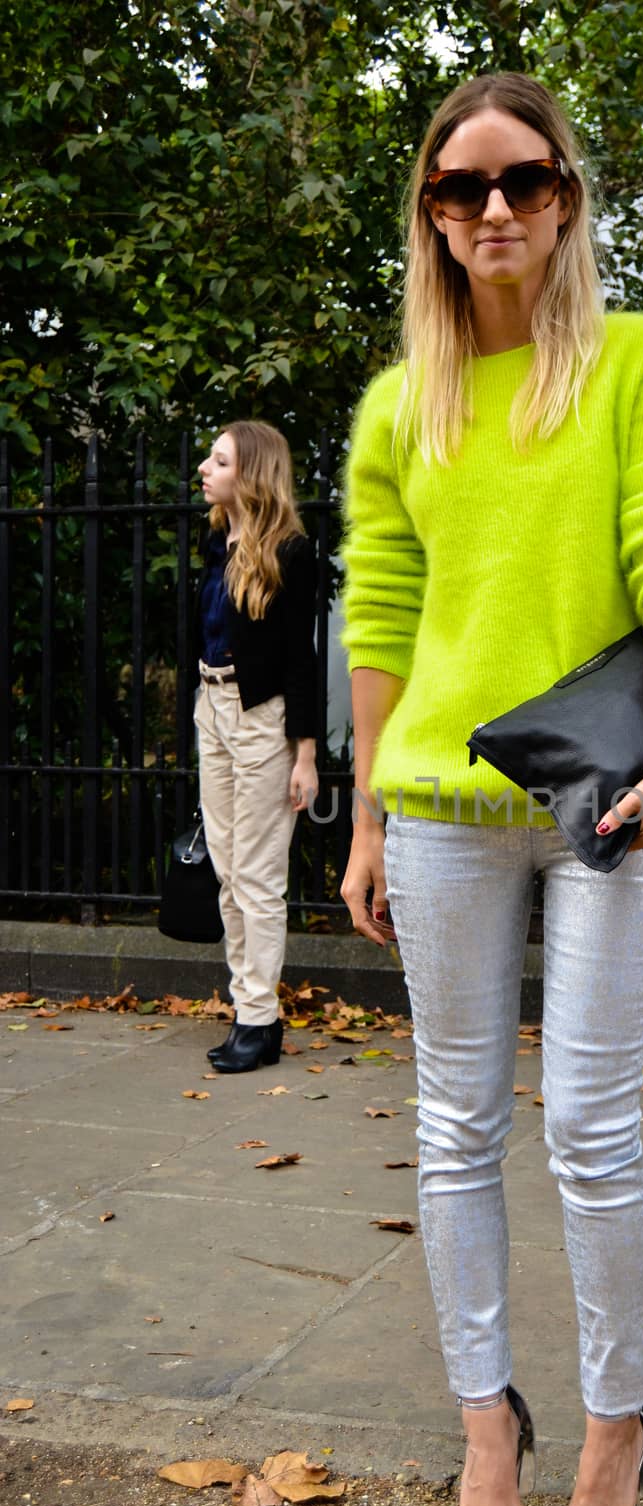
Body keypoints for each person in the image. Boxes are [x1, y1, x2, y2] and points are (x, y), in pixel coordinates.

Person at [339, 73, 643, 1506]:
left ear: (563, 195)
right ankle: (484, 1419)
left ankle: (615, 1420)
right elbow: (378, 610)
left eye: (517, 180)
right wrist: (367, 816)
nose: (489, 209)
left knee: (584, 1121)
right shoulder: (399, 405)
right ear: (430, 217)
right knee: (450, 1124)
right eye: (457, 188)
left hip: (617, 793)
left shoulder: (628, 360)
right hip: (436, 806)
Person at [194, 420, 319, 1073]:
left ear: (251, 476)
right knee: (225, 870)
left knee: (257, 876)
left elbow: (302, 658)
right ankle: (248, 1008)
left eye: (218, 461)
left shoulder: (292, 553)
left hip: (262, 717)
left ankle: (259, 1020)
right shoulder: (217, 540)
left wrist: (305, 753)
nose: (205, 469)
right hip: (210, 708)